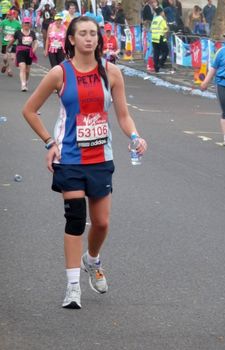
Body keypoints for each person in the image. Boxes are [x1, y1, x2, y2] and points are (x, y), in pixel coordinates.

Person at [22, 15, 147, 309]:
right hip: (70, 159)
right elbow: (29, 110)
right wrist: (49, 143)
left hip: (101, 157)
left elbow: (123, 115)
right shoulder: (59, 73)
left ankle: (92, 259)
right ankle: (73, 287)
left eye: (94, 33)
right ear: (72, 39)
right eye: (83, 34)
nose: (89, 38)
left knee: (101, 223)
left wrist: (135, 136)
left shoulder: (112, 72)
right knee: (76, 219)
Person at [7, 16, 38, 91]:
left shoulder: (32, 33)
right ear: (22, 24)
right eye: (25, 23)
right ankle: (23, 85)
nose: (26, 25)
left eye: (28, 23)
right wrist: (8, 47)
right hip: (20, 51)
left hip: (29, 52)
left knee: (27, 70)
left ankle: (26, 82)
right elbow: (12, 40)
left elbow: (36, 42)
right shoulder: (18, 32)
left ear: (30, 24)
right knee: (22, 67)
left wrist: (34, 49)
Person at [0, 9, 21, 77]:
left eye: (10, 15)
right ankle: (7, 68)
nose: (9, 16)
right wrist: (2, 31)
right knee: (5, 58)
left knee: (12, 58)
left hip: (13, 42)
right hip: (5, 42)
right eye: (8, 15)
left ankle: (7, 68)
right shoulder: (4, 22)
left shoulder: (17, 23)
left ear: (14, 15)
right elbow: (0, 29)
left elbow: (20, 33)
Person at [150, 6, 168, 72]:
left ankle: (156, 68)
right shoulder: (161, 19)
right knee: (166, 51)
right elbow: (166, 29)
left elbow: (151, 29)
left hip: (154, 38)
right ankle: (160, 64)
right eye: (163, 11)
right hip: (160, 37)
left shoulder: (154, 19)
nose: (163, 13)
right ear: (161, 12)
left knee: (156, 53)